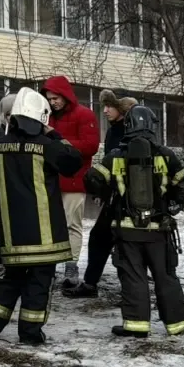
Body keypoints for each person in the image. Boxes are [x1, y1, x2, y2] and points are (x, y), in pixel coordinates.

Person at [0, 88, 82, 345]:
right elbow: (73, 161)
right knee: (38, 283)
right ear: (41, 119)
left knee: (10, 280)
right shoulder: (46, 145)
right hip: (45, 237)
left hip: (12, 235)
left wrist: (1, 210)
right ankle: (30, 334)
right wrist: (54, 134)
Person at [86, 105, 184, 337]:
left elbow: (92, 180)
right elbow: (182, 181)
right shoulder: (166, 155)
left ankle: (136, 325)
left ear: (127, 127)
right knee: (165, 275)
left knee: (132, 276)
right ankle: (178, 323)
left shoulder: (116, 156)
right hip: (158, 230)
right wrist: (175, 203)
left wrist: (109, 194)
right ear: (153, 126)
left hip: (126, 231)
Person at [64, 91, 137, 299]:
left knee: (103, 238)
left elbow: (116, 167)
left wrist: (105, 191)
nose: (104, 110)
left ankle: (93, 285)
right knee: (106, 239)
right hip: (117, 197)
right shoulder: (116, 129)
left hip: (122, 199)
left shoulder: (124, 132)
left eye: (109, 106)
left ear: (121, 109)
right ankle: (101, 284)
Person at [40, 75, 100, 289]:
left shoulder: (85, 115)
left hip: (74, 180)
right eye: (49, 98)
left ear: (65, 95)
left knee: (71, 224)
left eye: (56, 98)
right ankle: (49, 266)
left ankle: (71, 266)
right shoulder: (47, 116)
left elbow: (90, 145)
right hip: (50, 180)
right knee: (49, 226)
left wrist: (58, 139)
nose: (52, 102)